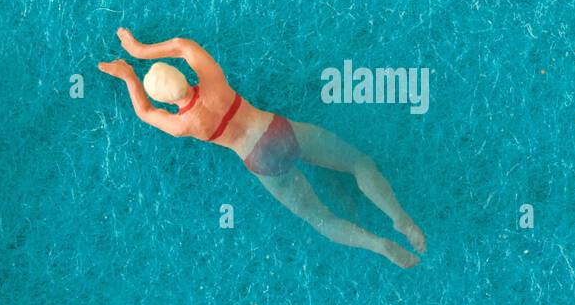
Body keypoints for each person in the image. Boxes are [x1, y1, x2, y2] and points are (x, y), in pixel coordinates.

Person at [99, 29, 425, 268]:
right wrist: (139, 50)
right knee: (358, 162)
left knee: (321, 220)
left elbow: (145, 113)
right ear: (183, 76)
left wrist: (128, 76)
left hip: (260, 161)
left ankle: (378, 245)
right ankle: (399, 218)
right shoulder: (214, 82)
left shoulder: (184, 125)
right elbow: (182, 46)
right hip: (276, 130)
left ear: (168, 101)